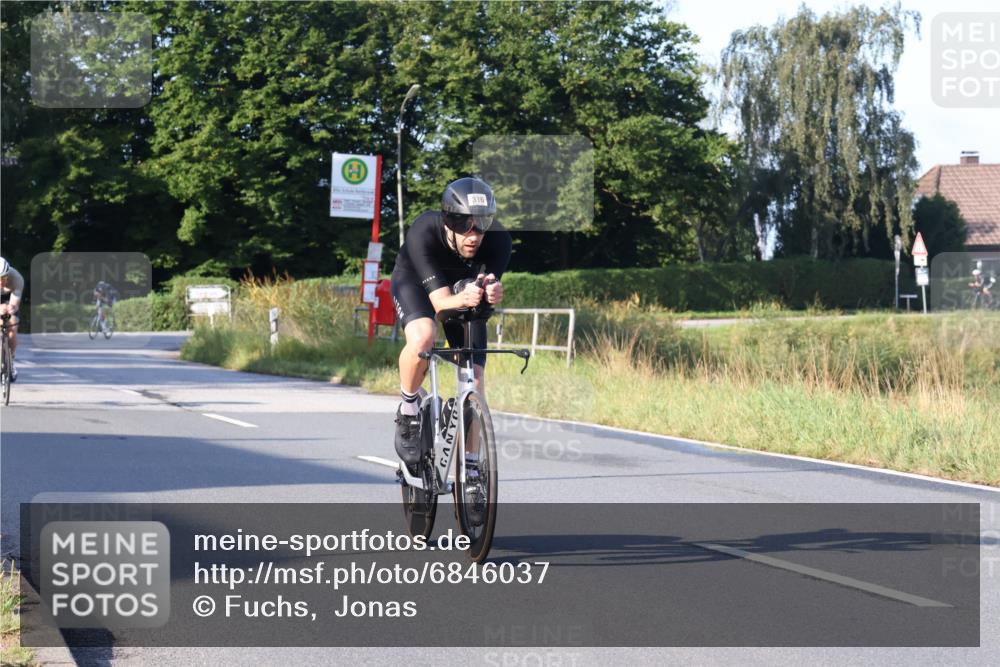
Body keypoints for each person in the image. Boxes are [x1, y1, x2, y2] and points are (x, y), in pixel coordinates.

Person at [390, 177, 512, 465]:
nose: (474, 235)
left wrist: (491, 294)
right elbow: (440, 304)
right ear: (448, 221)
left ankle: (471, 465)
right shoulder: (424, 230)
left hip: (462, 291)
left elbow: (483, 294)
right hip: (416, 284)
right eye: (464, 225)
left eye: (481, 224)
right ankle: (409, 410)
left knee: (475, 379)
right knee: (423, 336)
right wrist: (466, 297)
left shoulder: (499, 240)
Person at [0, 257, 24, 382]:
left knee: (12, 325)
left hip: (8, 301)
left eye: (3, 278)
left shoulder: (16, 278)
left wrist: (8, 310)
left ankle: (11, 360)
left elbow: (14, 306)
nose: (1, 282)